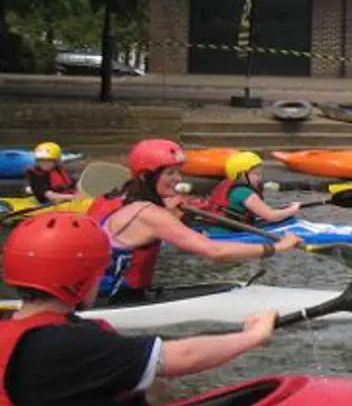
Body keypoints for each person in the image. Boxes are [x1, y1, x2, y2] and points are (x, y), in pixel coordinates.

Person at [0, 212, 285, 405]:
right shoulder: (79, 344)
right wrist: (253, 336)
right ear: (83, 277)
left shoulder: (12, 332)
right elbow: (182, 356)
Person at [90, 139, 303, 305]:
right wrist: (276, 247)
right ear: (146, 177)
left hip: (96, 297)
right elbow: (214, 252)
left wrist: (169, 212)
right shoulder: (150, 214)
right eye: (170, 173)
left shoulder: (113, 200)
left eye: (178, 172)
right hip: (116, 302)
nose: (178, 179)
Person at [201, 151, 300, 230]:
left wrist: (281, 210)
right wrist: (292, 210)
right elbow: (271, 216)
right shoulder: (245, 193)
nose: (259, 178)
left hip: (213, 230)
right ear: (242, 175)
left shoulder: (227, 185)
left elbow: (261, 211)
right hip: (228, 235)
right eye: (256, 174)